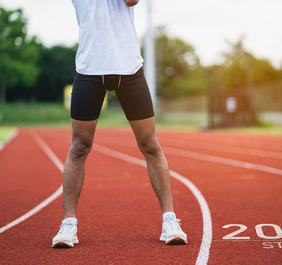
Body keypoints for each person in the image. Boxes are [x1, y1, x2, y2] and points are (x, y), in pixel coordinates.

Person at [52, 0, 187, 248]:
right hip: (90, 68)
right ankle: (68, 224)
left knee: (149, 144)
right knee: (79, 146)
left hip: (128, 68)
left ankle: (170, 220)